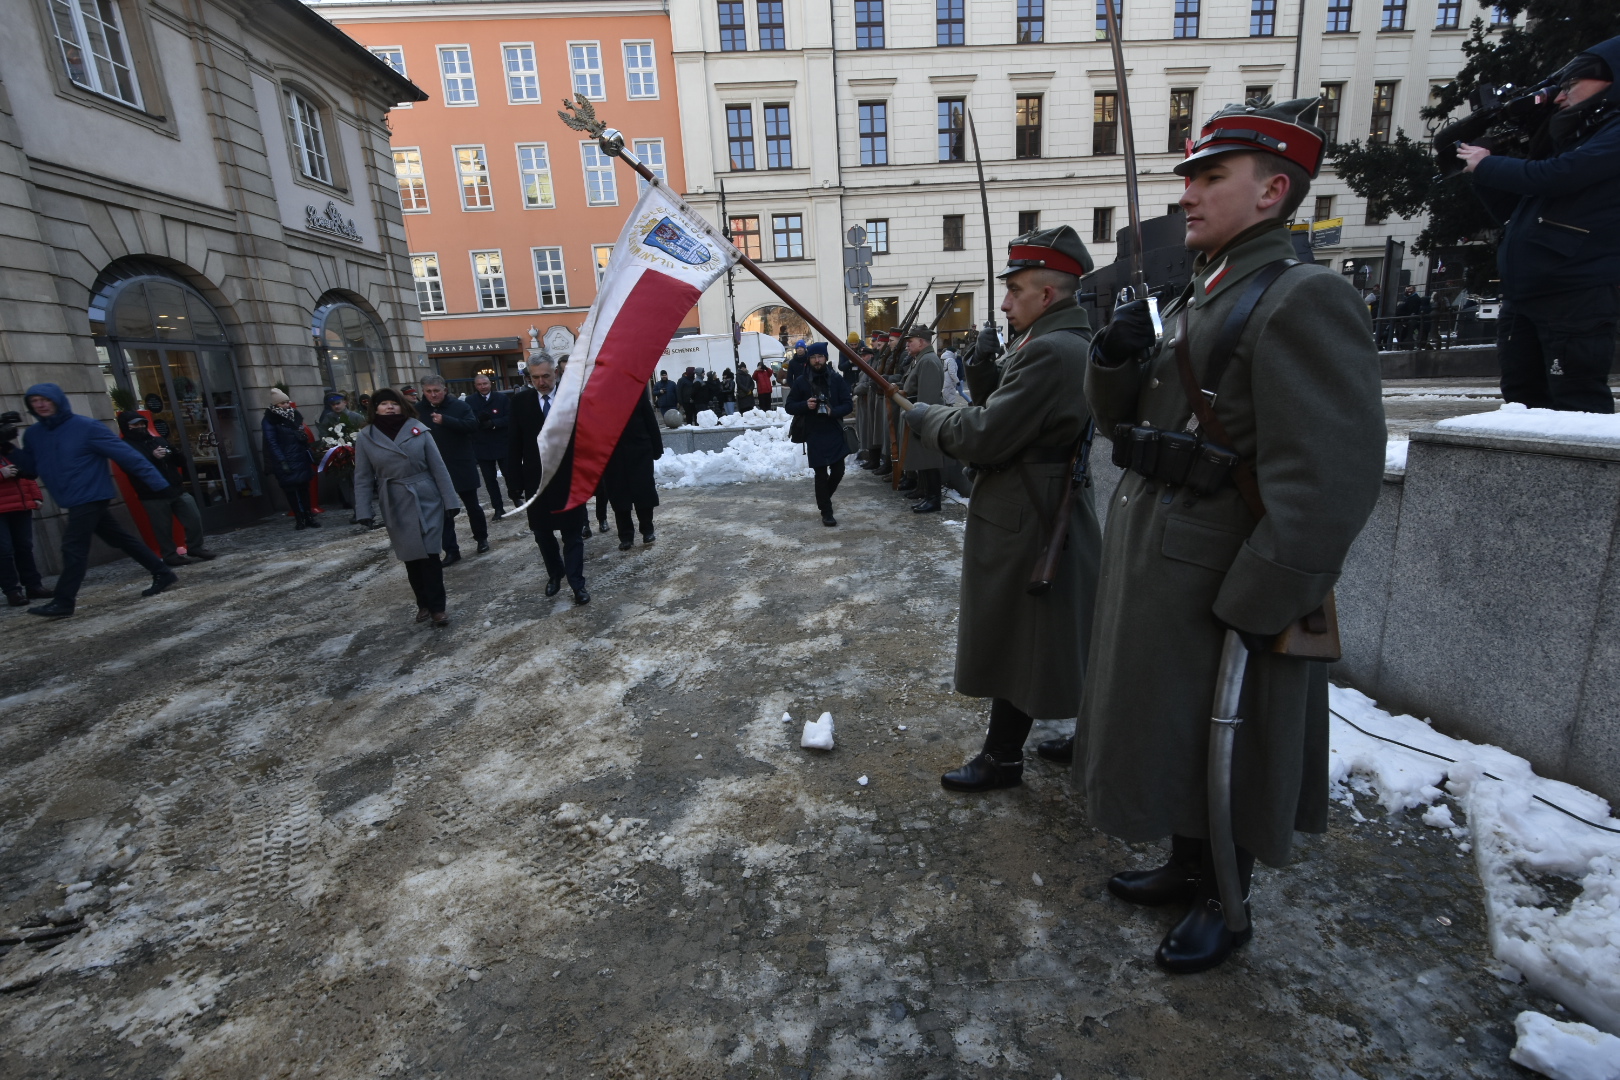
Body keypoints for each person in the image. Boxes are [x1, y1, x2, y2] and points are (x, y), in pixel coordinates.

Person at [1082, 97, 1385, 973]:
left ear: (1271, 193)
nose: (1189, 194)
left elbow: (1329, 475)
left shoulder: (1302, 296)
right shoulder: (1204, 291)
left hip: (1224, 564)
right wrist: (1114, 359)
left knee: (1232, 733)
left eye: (1212, 177)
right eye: (1188, 176)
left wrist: (1263, 594)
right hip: (1165, 555)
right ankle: (1186, 862)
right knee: (1178, 725)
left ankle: (1228, 899)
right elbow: (1130, 424)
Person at [898, 226, 1100, 797]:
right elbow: (1016, 412)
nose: (1005, 302)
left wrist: (925, 418)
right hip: (1039, 502)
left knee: (1023, 639)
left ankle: (1003, 758)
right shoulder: (1050, 345)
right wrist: (989, 368)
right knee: (1050, 636)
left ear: (1049, 295)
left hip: (1028, 514)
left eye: (1014, 291)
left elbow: (985, 434)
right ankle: (1067, 740)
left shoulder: (1051, 351)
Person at [1458, 35, 1620, 413]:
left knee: (1576, 402)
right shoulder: (1578, 136)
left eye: (1570, 86)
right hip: (1530, 291)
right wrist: (1483, 171)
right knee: (1522, 400)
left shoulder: (1607, 136)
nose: (1561, 97)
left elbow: (1556, 176)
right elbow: (1517, 213)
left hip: (1573, 291)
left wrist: (1489, 165)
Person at [12, 384, 177, 616]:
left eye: (45, 399)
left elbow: (127, 455)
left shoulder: (85, 427)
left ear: (57, 401)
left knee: (73, 547)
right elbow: (29, 469)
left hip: (91, 494)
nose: (40, 404)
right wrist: (7, 446)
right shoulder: (34, 434)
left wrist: (160, 484)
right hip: (70, 497)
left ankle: (64, 601)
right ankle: (162, 572)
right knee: (120, 538)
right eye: (35, 401)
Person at [353, 389, 461, 627]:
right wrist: (363, 511)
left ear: (402, 405)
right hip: (395, 499)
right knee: (411, 556)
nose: (389, 407)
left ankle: (438, 608)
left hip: (426, 496)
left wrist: (450, 501)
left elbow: (438, 467)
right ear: (375, 408)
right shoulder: (365, 437)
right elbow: (362, 477)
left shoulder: (418, 430)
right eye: (384, 404)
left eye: (394, 403)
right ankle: (422, 602)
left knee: (430, 554)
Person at [508, 358, 590, 604]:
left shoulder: (572, 399)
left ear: (555, 373)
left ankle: (577, 584)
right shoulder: (520, 402)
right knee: (543, 534)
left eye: (545, 376)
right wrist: (514, 483)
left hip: (569, 479)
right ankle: (555, 574)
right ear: (529, 378)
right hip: (537, 481)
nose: (541, 382)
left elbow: (587, 440)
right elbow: (514, 446)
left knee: (572, 535)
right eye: (535, 378)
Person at [117, 412, 216, 566]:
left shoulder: (157, 439)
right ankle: (169, 555)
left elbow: (179, 460)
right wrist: (153, 457)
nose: (140, 427)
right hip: (152, 494)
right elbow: (132, 467)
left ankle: (195, 547)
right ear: (126, 427)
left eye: (142, 424)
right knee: (162, 527)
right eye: (135, 425)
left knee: (193, 517)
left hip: (175, 487)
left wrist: (174, 453)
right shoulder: (125, 446)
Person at [417, 375, 486, 562]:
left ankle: (481, 539)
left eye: (436, 391)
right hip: (434, 468)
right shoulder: (417, 411)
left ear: (444, 390)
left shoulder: (459, 406)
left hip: (460, 463)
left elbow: (473, 425)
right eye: (428, 392)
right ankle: (451, 550)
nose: (433, 395)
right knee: (442, 512)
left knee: (472, 506)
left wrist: (446, 420)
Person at [784, 342, 852, 526]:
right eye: (813, 357)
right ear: (809, 359)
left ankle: (824, 499)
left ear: (825, 358)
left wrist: (833, 411)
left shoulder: (836, 379)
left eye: (820, 357)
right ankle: (826, 512)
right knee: (821, 474)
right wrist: (805, 405)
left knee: (838, 471)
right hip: (813, 432)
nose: (817, 360)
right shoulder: (801, 381)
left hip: (834, 430)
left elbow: (848, 404)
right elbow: (789, 406)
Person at [602, 384, 664, 550]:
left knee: (643, 491)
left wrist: (657, 448)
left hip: (639, 451)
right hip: (612, 455)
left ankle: (647, 529)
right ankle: (626, 536)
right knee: (618, 494)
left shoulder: (636, 392)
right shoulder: (599, 398)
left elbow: (650, 421)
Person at [0, 412, 50, 607]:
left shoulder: (9, 449)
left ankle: (34, 586)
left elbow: (27, 472)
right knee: (4, 552)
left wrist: (36, 495)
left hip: (20, 505)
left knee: (24, 548)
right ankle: (12, 591)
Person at [898, 326, 946, 512]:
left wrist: (922, 419)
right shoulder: (921, 359)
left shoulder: (927, 361)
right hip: (919, 414)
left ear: (921, 341)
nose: (907, 345)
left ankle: (933, 499)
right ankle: (925, 492)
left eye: (910, 341)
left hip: (925, 416)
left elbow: (928, 397)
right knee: (923, 460)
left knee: (930, 460)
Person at [261, 388, 319, 529]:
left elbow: (301, 433)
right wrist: (282, 461)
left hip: (299, 456)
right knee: (291, 491)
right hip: (285, 458)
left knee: (304, 488)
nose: (286, 405)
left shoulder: (294, 415)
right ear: (275, 405)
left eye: (287, 402)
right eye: (282, 403)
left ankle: (308, 516)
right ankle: (299, 518)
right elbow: (272, 443)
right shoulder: (270, 420)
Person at [466, 373, 513, 520]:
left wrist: (494, 423)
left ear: (490, 383)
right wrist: (479, 422)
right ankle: (498, 508)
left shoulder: (502, 398)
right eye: (479, 384)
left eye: (485, 384)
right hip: (482, 446)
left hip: (502, 443)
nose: (483, 387)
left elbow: (510, 417)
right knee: (489, 480)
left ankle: (515, 497)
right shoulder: (470, 400)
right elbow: (468, 421)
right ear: (475, 386)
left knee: (509, 475)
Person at [316, 391, 365, 519]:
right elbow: (323, 436)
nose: (336, 406)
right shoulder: (328, 419)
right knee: (345, 485)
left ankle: (365, 510)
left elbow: (365, 434)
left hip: (356, 456)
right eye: (333, 405)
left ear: (345, 402)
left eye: (338, 403)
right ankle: (356, 510)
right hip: (339, 459)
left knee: (359, 484)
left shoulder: (356, 417)